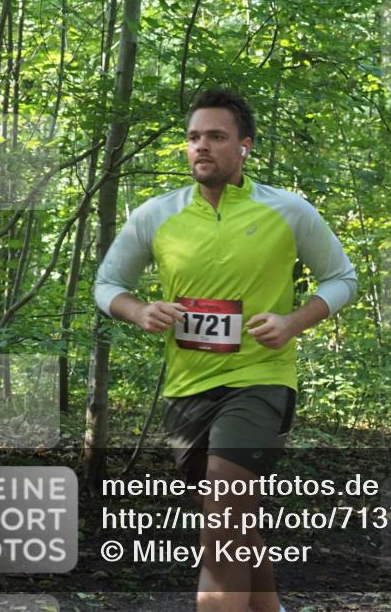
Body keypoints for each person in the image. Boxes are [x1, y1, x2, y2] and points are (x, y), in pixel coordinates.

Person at [94, 88, 356, 612]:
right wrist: (139, 310)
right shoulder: (155, 215)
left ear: (245, 146)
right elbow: (106, 284)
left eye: (216, 136)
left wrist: (293, 321)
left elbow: (341, 278)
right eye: (193, 137)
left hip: (261, 379)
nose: (202, 147)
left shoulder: (288, 210)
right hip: (187, 388)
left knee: (223, 520)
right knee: (231, 523)